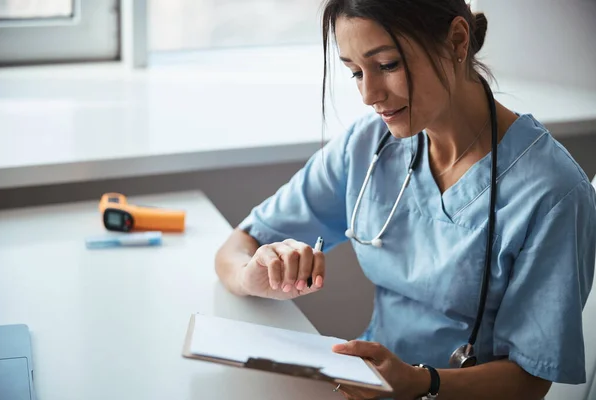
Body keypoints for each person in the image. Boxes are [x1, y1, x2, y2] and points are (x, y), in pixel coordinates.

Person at [214, 1, 596, 399]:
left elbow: (530, 381)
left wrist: (420, 383)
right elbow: (238, 246)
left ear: (457, 41)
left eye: (388, 65)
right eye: (356, 72)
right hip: (362, 388)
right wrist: (252, 276)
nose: (369, 94)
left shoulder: (553, 194)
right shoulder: (368, 145)